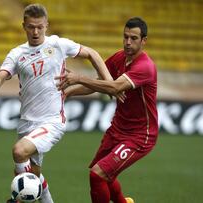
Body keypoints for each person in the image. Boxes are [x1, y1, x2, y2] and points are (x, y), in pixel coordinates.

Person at [0, 4, 113, 203]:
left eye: (39, 27)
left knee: (19, 151)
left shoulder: (58, 44)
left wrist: (109, 84)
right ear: (24, 26)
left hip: (52, 121)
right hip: (27, 123)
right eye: (31, 27)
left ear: (46, 25)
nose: (35, 31)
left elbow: (92, 54)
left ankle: (18, 199)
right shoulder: (17, 54)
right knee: (34, 175)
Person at [56, 17, 158, 203]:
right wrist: (69, 93)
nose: (128, 42)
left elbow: (114, 88)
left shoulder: (145, 67)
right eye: (125, 37)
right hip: (118, 128)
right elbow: (99, 84)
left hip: (140, 135)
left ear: (144, 41)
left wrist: (78, 78)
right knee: (102, 172)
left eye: (133, 38)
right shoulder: (119, 57)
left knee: (98, 175)